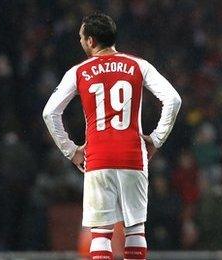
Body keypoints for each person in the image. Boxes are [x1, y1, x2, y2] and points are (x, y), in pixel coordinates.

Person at [42, 12, 181, 260]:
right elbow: (173, 99)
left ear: (92, 41)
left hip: (98, 158)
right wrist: (157, 138)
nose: (81, 42)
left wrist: (71, 150)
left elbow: (50, 113)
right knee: (136, 229)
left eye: (82, 37)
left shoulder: (79, 72)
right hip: (133, 156)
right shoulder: (139, 65)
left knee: (101, 234)